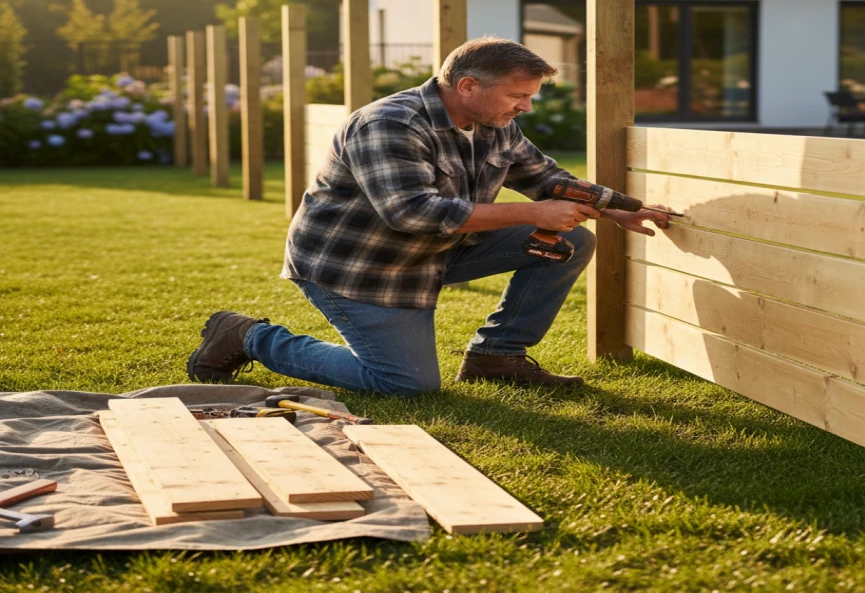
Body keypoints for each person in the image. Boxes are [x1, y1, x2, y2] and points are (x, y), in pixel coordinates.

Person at [186, 37, 670, 395]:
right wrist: (535, 211)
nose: (524, 107)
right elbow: (411, 213)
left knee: (571, 242)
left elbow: (547, 177)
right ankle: (249, 336)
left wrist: (624, 209)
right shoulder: (389, 124)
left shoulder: (494, 123)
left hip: (437, 252)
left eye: (530, 97)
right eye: (517, 96)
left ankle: (496, 357)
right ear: (467, 85)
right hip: (359, 268)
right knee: (405, 385)